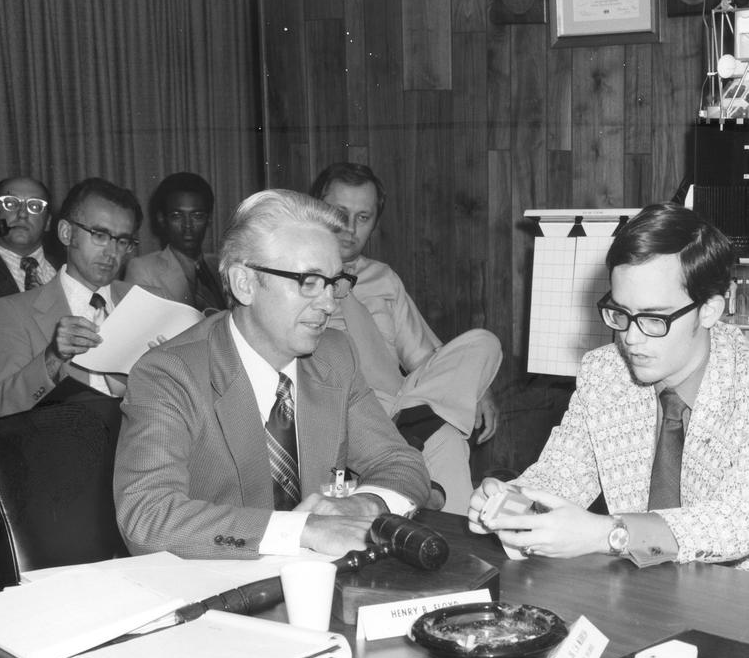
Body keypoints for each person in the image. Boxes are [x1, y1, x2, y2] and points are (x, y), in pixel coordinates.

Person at [468, 202, 749, 586]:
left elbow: (742, 519)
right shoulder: (605, 373)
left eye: (654, 319)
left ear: (710, 310)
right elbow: (562, 475)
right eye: (620, 313)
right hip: (651, 581)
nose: (630, 338)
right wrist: (512, 502)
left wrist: (606, 534)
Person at [114, 189, 432, 560]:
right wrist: (303, 530)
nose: (329, 303)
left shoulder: (335, 355)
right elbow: (146, 518)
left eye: (334, 282)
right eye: (309, 282)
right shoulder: (169, 374)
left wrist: (364, 505)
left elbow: (403, 464)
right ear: (244, 283)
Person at [310, 163, 502, 513]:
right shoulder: (294, 278)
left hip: (401, 405)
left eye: (363, 217)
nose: (350, 229)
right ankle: (413, 457)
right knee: (445, 436)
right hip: (342, 410)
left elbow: (425, 359)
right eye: (340, 214)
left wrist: (478, 386)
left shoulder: (383, 278)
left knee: (485, 343)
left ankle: (406, 449)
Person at [0, 177, 144, 418]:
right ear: (66, 233)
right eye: (99, 235)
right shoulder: (13, 311)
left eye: (122, 241)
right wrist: (53, 357)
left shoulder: (145, 303)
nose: (112, 252)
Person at [0, 176, 65, 421]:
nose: (22, 214)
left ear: (48, 222)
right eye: (11, 203)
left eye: (35, 206)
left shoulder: (70, 273)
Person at [126, 171, 227, 311]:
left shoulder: (222, 266)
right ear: (162, 219)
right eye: (177, 216)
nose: (187, 226)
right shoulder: (143, 270)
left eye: (197, 216)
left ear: (209, 219)